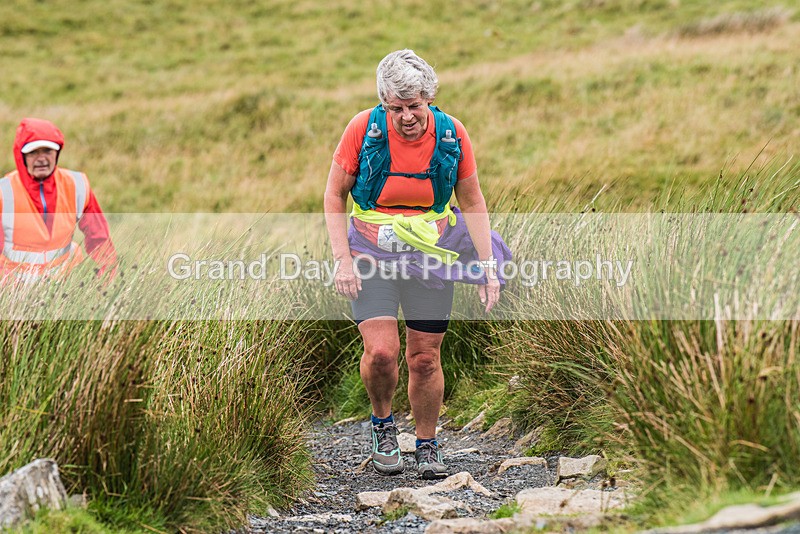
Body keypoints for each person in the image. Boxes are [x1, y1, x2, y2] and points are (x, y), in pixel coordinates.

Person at [324, 50, 508, 479]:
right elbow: (335, 195)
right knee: (383, 352)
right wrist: (342, 261)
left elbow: (472, 200)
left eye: (414, 106)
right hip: (370, 257)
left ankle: (427, 444)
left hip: (431, 258)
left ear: (429, 97)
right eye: (396, 108)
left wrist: (487, 266)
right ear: (384, 103)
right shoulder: (362, 129)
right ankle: (383, 426)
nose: (406, 117)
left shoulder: (452, 134)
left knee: (424, 358)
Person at [0, 118, 116, 282]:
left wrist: (106, 282)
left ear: (57, 153)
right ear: (22, 156)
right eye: (33, 152)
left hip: (63, 289)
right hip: (14, 290)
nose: (41, 158)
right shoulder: (4, 192)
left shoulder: (77, 185)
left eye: (47, 151)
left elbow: (99, 239)